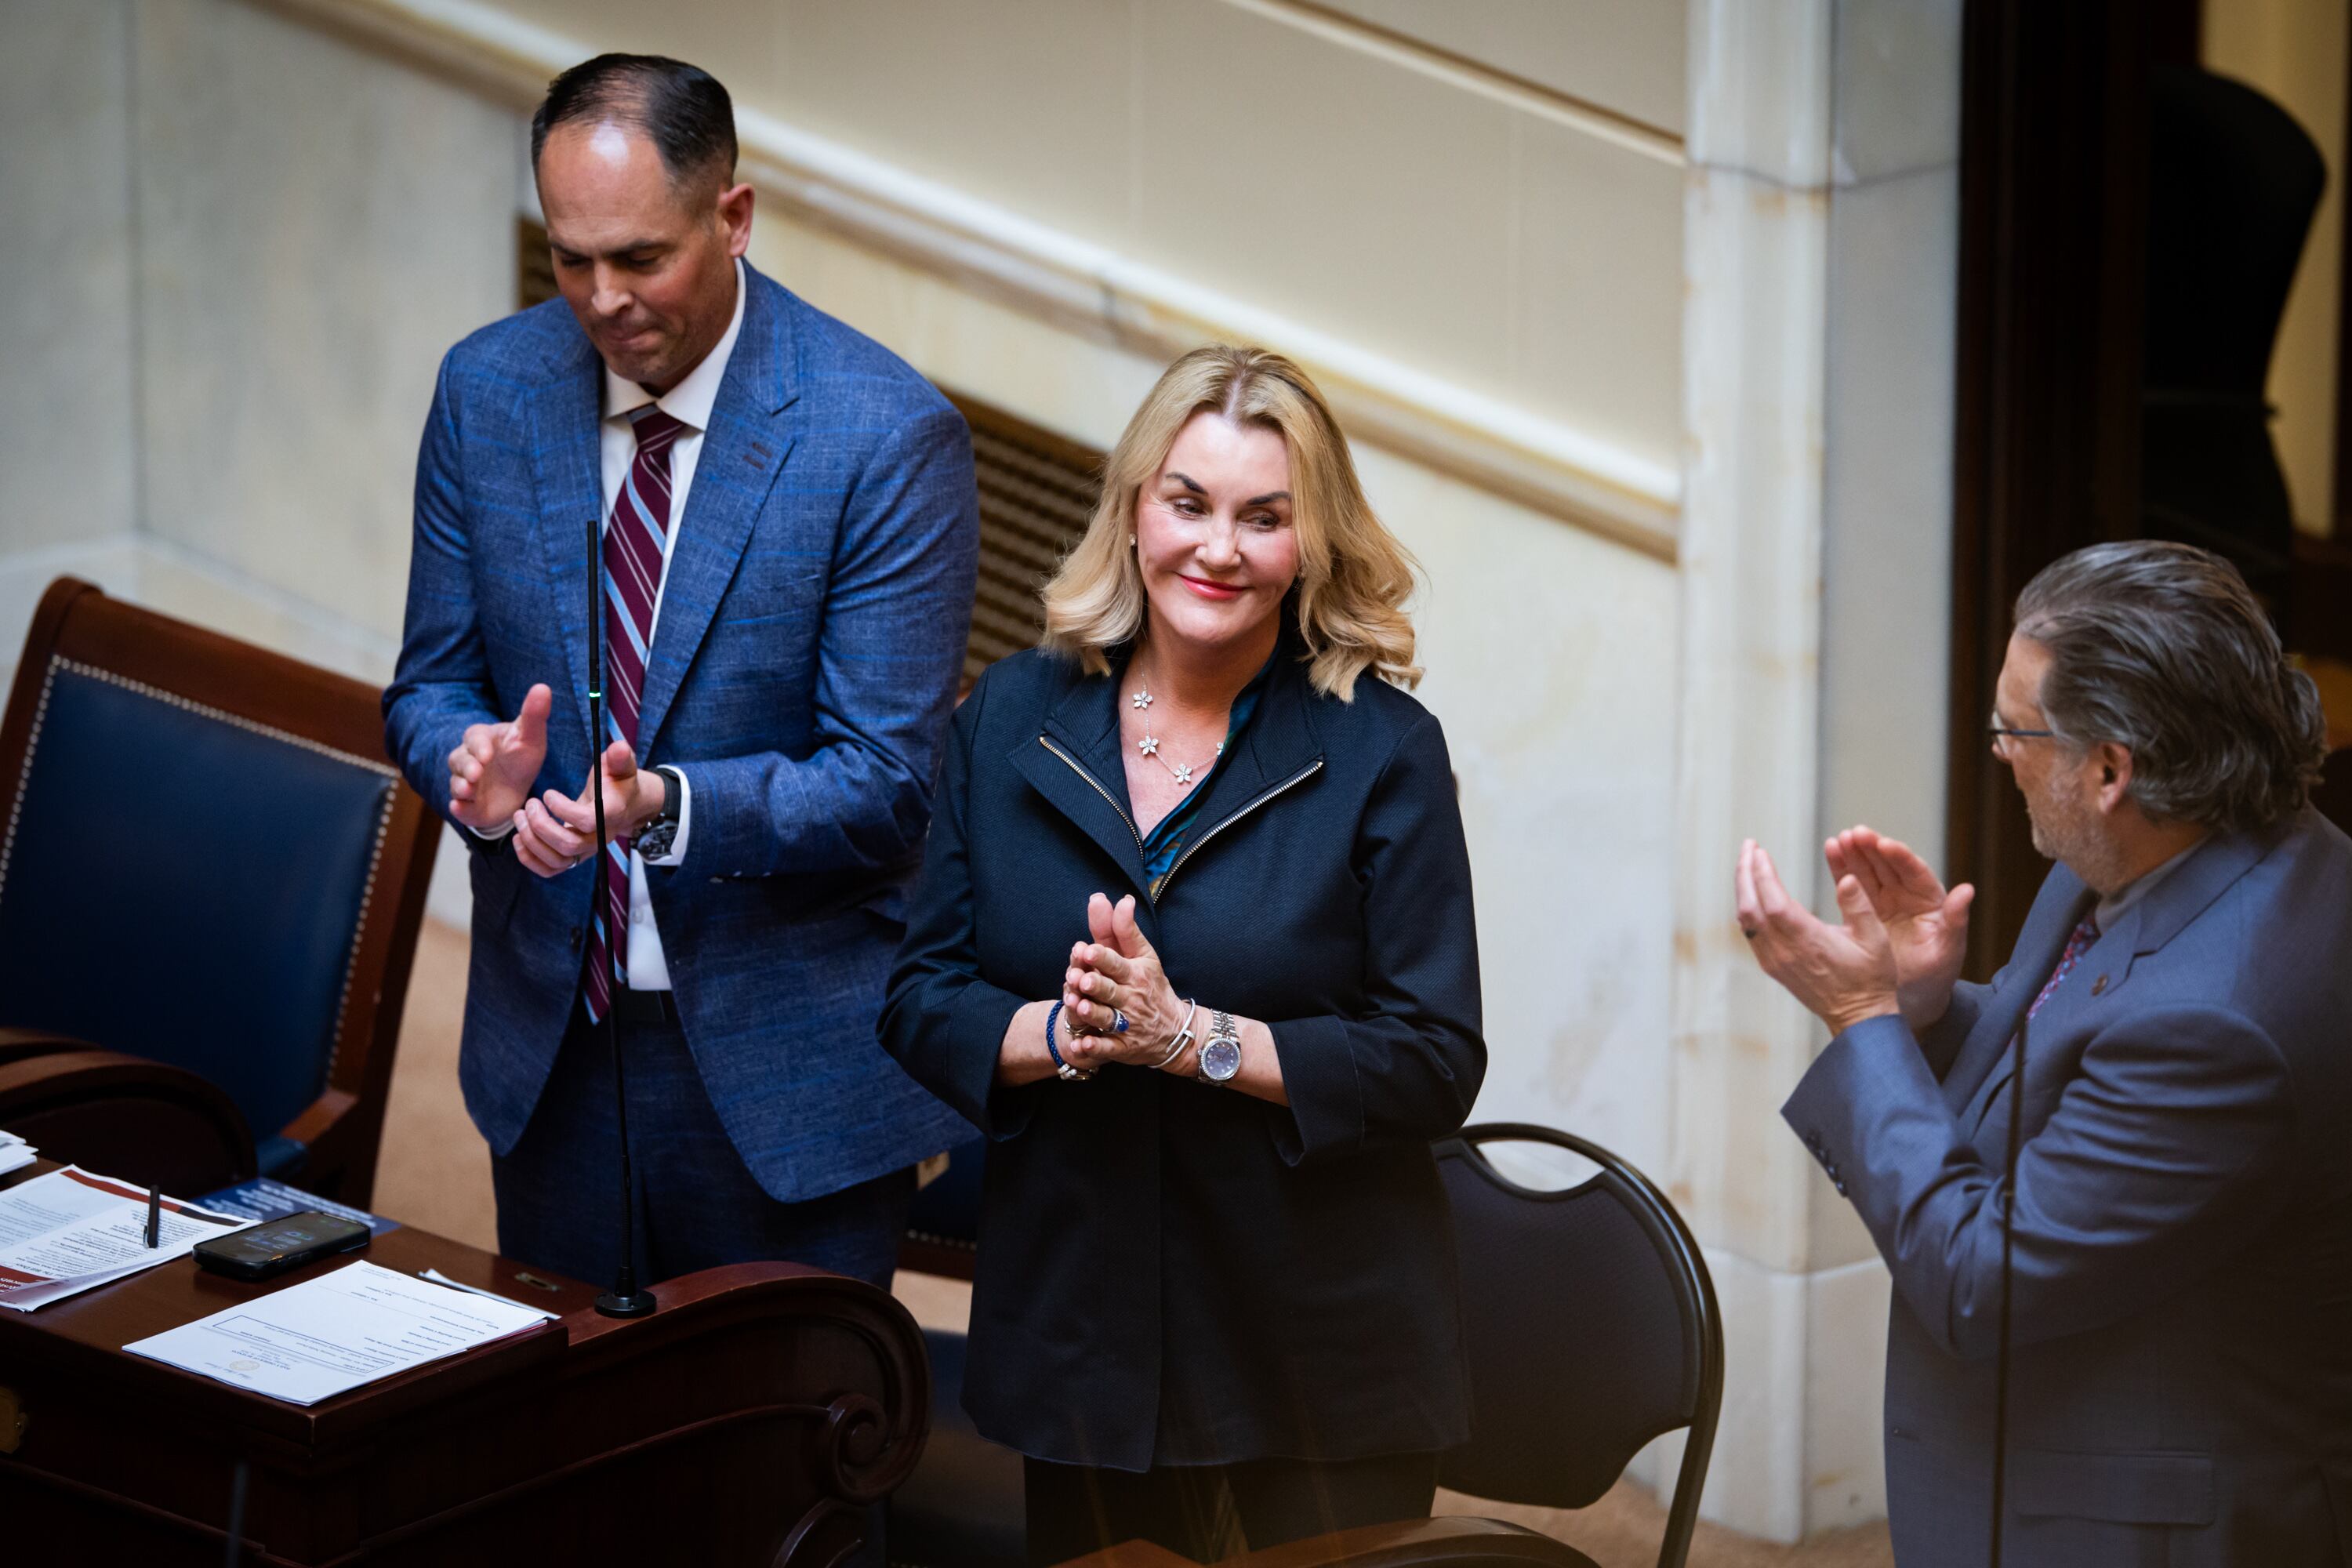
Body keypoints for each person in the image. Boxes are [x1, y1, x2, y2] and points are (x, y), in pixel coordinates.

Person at [383, 55, 978, 1290]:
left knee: (784, 1416)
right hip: (549, 1042)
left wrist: (664, 808)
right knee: (565, 1404)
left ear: (734, 217)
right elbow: (427, 688)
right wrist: (469, 767)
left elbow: (886, 787)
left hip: (789, 1077)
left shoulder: (883, 436)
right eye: (572, 259)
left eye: (641, 258)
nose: (603, 300)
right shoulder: (487, 391)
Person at [879, 345, 1483, 1564]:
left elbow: (1434, 1060)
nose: (1220, 548)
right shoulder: (1011, 714)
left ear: (1311, 543)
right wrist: (1063, 1035)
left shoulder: (1385, 752)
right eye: (1190, 503)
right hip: (1084, 1332)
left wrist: (1192, 1041)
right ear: (1133, 511)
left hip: (1314, 1344)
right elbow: (921, 996)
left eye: (1265, 517)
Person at [1737, 540, 2351, 1566]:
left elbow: (1979, 1278)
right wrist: (1928, 1008)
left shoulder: (2224, 1024)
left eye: (2014, 728)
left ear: (2111, 769)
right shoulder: (2175, 845)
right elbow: (2084, 1066)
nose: (1998, 750)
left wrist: (1862, 1018)